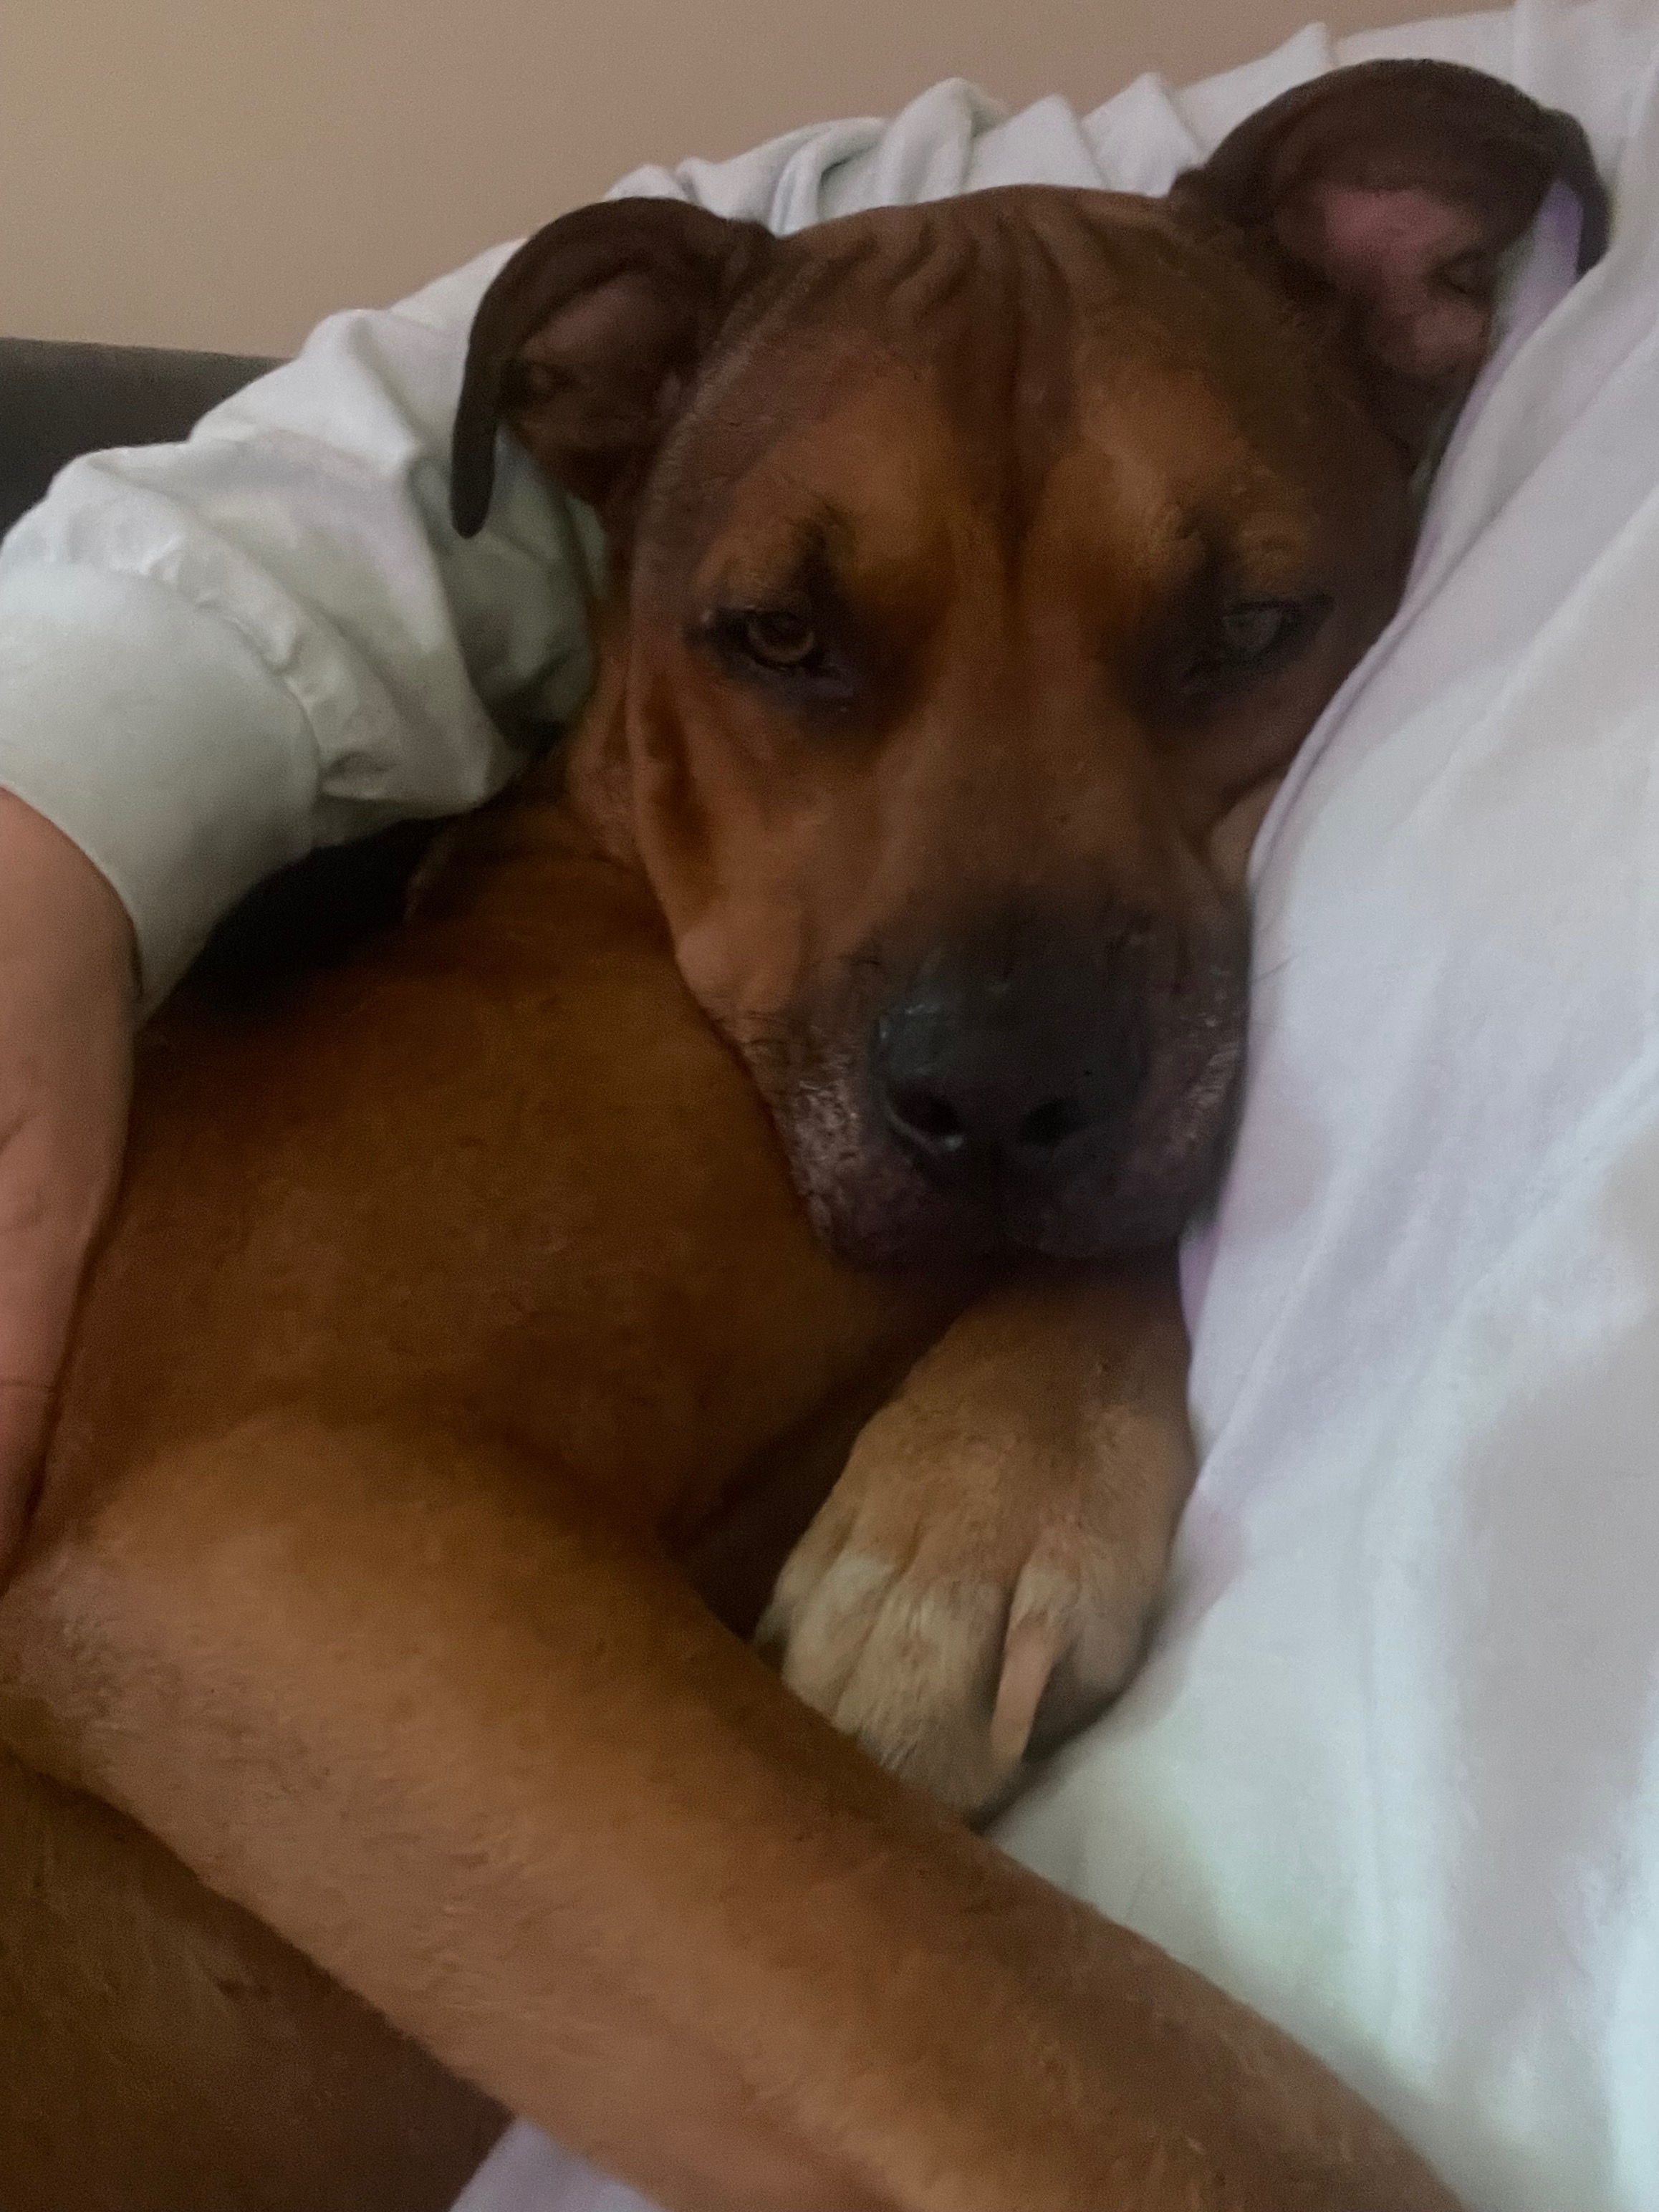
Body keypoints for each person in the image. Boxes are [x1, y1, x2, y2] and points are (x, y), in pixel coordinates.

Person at [4, 6, 1659, 2211]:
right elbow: (210, 1574)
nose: (995, 1020)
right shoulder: (543, 1041)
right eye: (794, 647)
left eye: (1226, 635)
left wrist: (1093, 1327)